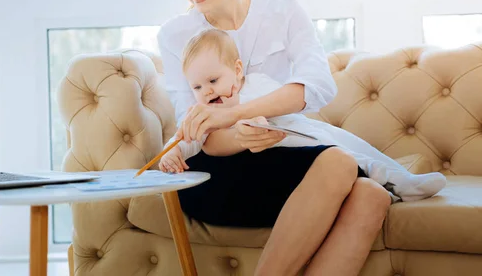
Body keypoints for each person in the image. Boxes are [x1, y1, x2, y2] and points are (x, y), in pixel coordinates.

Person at [157, 0, 392, 275]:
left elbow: (316, 86)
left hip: (282, 158)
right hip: (215, 171)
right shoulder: (175, 35)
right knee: (340, 161)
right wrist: (240, 135)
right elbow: (202, 132)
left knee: (372, 195)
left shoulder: (284, 12)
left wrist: (236, 116)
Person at [158, 29, 447, 202]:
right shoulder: (204, 113)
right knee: (339, 153)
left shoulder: (257, 83)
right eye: (197, 87)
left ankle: (403, 177)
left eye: (212, 80)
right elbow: (185, 137)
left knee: (348, 141)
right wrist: (169, 153)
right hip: (288, 152)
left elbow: (285, 105)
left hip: (298, 130)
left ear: (236, 70)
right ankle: (393, 180)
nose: (207, 91)